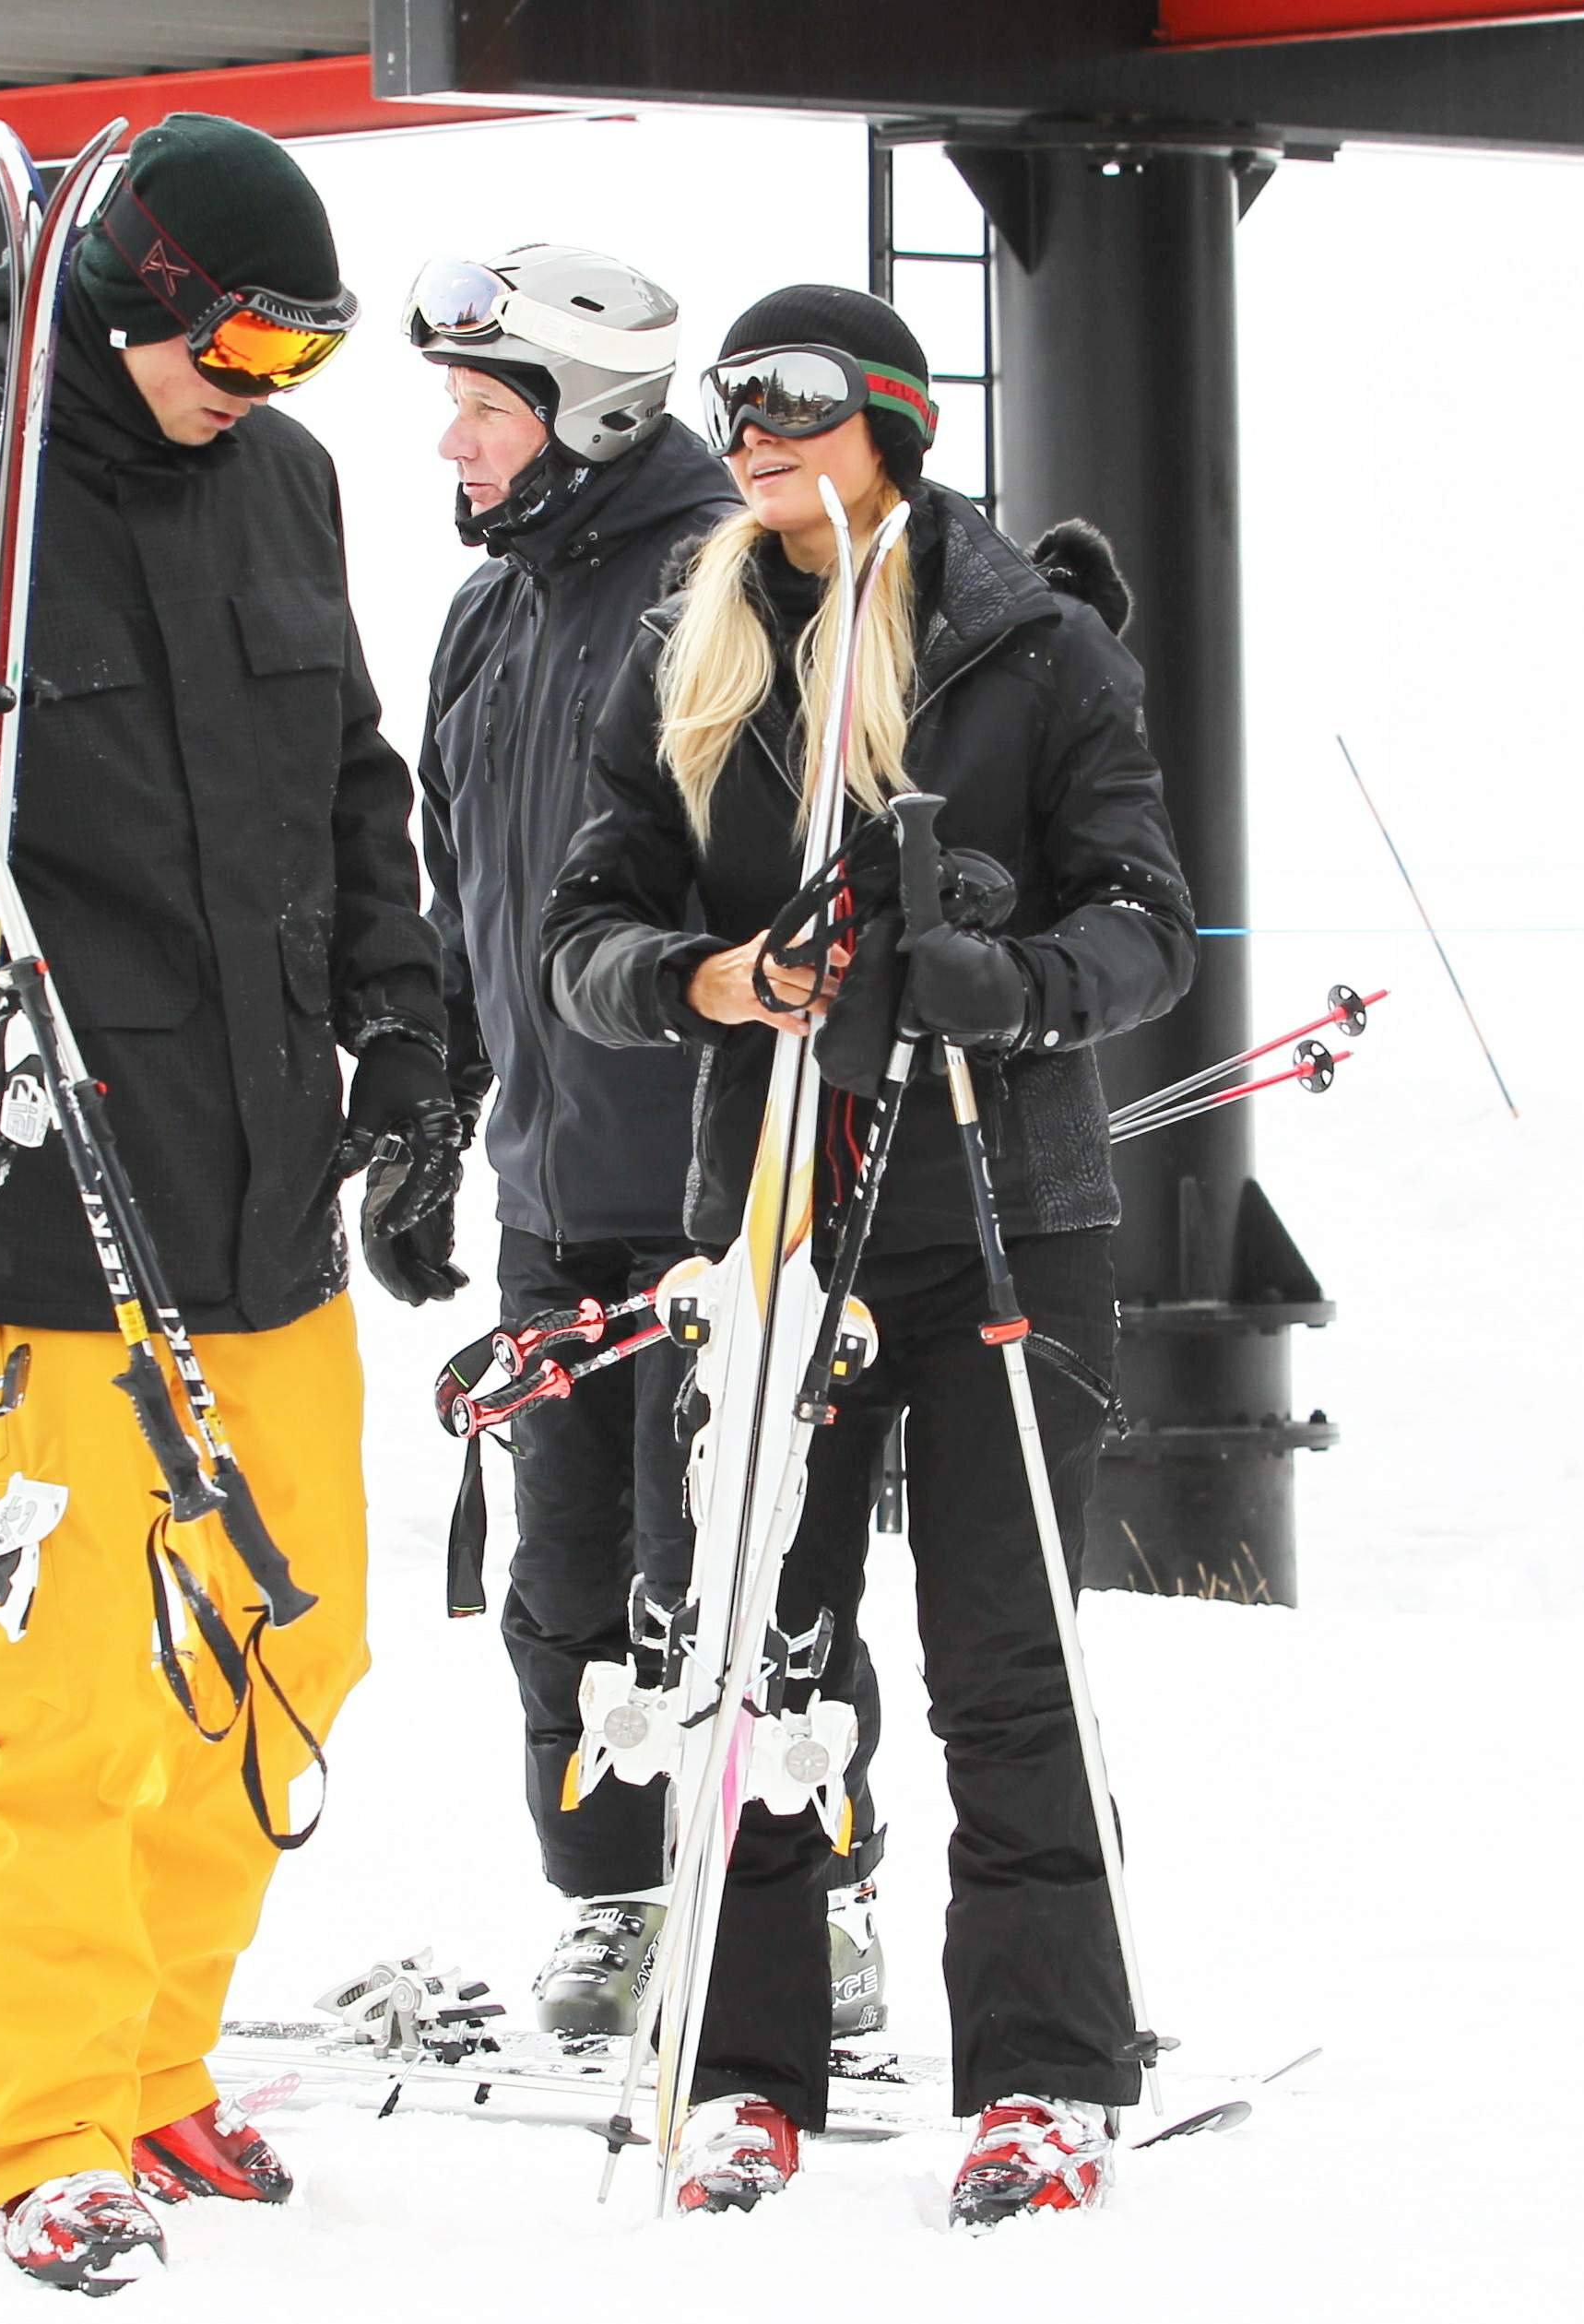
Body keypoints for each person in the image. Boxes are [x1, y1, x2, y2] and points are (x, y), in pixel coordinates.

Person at [0, 114, 455, 2297]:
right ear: (128, 291)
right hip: (48, 1200)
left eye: (308, 351)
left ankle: (152, 2059)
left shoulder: (282, 482)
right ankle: (32, 2128)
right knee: (69, 1701)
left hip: (264, 1193)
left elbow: (354, 782)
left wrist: (407, 1044)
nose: (270, 383)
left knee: (291, 1634)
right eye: (241, 338)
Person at [540, 283, 1197, 2226]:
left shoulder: (1033, 643)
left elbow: (1147, 922)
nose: (750, 439)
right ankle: (744, 2071)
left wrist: (996, 980)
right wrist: (716, 977)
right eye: (730, 409)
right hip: (768, 1222)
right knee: (753, 1646)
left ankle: (1043, 2071)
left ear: (890, 426)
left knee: (1005, 1651)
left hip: (996, 1212)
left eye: (794, 406)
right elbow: (587, 924)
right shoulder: (694, 635)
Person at [408, 244, 890, 2046]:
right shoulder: (493, 610)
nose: (449, 443)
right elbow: (463, 891)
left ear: (588, 411)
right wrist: (437, 1108)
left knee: (756, 1566)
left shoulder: (740, 583)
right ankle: (613, 1896)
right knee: (563, 1574)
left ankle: (810, 1894)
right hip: (550, 1184)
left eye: (481, 407)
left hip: (725, 1175)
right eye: (449, 406)